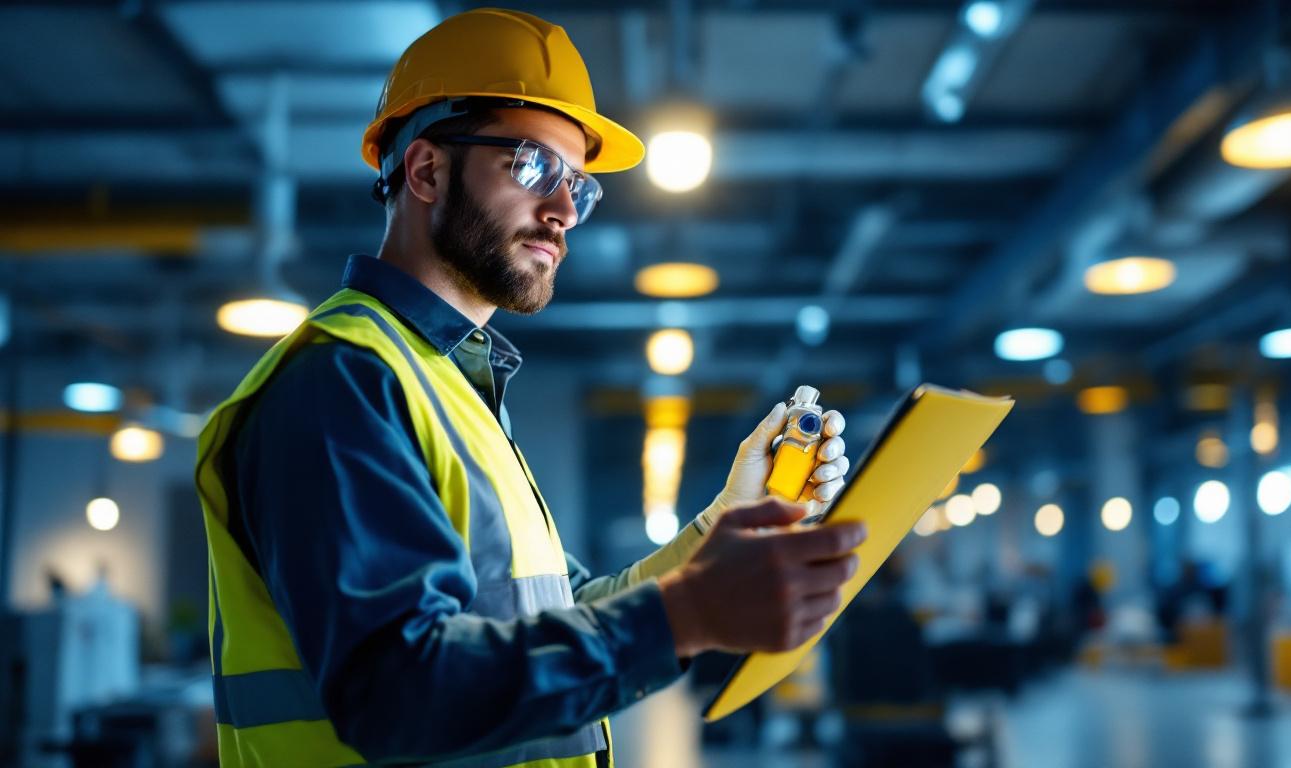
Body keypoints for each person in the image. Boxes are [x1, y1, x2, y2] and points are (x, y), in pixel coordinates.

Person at [194, 8, 865, 767]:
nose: (566, 211)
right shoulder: (341, 381)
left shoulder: (449, 385)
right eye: (533, 166)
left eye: (578, 183)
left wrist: (717, 529)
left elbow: (563, 619)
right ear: (425, 171)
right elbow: (395, 691)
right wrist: (684, 616)